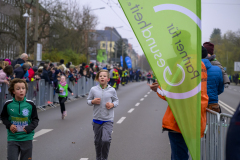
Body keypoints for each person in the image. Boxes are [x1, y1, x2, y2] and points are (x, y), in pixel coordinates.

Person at [149, 47, 209, 160]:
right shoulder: (200, 64)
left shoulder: (183, 63)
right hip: (195, 117)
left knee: (179, 156)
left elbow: (172, 93)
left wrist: (157, 89)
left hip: (180, 119)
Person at [0, 78, 39, 160]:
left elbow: (35, 119)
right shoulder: (8, 104)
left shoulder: (30, 104)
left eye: (23, 88)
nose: (21, 91)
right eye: (18, 89)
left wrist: (29, 128)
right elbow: (3, 117)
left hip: (26, 138)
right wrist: (9, 125)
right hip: (13, 138)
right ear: (13, 91)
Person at [87, 70, 119, 160]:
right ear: (98, 78)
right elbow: (88, 101)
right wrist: (93, 101)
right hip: (97, 119)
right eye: (100, 76)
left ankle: (104, 158)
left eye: (104, 76)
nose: (102, 77)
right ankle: (98, 158)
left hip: (108, 119)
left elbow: (116, 101)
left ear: (108, 79)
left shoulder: (112, 90)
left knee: (105, 140)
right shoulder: (93, 89)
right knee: (97, 141)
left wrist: (112, 104)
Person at [202, 46, 224, 113]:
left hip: (197, 106)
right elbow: (220, 89)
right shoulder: (217, 69)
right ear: (207, 56)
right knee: (214, 123)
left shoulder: (191, 70)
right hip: (212, 105)